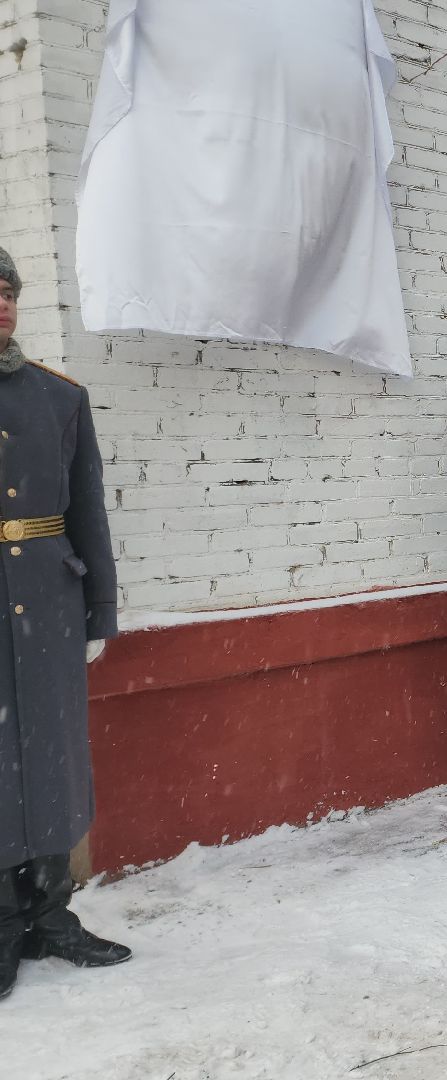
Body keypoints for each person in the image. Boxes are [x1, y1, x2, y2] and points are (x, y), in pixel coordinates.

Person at [0, 244, 127, 1002]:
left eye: (8, 291)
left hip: (47, 603)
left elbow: (87, 513)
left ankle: (50, 914)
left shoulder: (58, 398)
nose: (3, 306)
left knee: (50, 758)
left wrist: (99, 609)